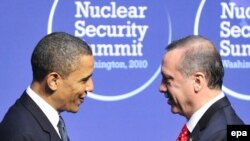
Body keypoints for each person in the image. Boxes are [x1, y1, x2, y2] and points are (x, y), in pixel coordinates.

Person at [0, 32, 94, 141]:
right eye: (84, 80)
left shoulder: (47, 120)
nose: (91, 87)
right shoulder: (20, 134)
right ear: (53, 81)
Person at [159, 35, 244, 141]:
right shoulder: (209, 129)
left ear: (197, 82)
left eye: (168, 80)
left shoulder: (224, 134)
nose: (161, 88)